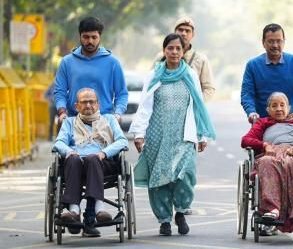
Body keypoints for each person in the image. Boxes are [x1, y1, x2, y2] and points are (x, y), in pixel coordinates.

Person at [129, 33, 216, 236]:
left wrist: (202, 135)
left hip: (183, 136)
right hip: (156, 135)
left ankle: (181, 211)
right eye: (170, 48)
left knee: (185, 175)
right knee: (159, 178)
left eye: (178, 48)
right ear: (164, 51)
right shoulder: (154, 75)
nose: (174, 52)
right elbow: (145, 105)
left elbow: (198, 106)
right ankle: (164, 220)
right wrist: (139, 134)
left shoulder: (190, 75)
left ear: (183, 51)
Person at [241, 92, 293, 233]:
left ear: (289, 107)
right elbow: (245, 140)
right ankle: (272, 209)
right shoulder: (263, 122)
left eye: (282, 105)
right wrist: (264, 145)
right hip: (271, 154)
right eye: (274, 106)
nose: (279, 109)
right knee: (266, 163)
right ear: (268, 109)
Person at [53, 88, 128, 237]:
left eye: (91, 102)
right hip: (76, 165)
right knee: (73, 159)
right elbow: (59, 143)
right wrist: (68, 151)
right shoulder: (69, 122)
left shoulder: (109, 120)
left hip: (102, 163)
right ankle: (74, 211)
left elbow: (122, 141)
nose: (88, 105)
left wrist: (104, 153)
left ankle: (99, 209)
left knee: (93, 158)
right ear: (77, 106)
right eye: (84, 102)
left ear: (98, 104)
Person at [54, 16, 128, 123]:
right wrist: (62, 112)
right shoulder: (67, 62)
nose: (90, 41)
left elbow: (121, 94)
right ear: (80, 36)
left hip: (104, 121)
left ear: (100, 37)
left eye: (94, 37)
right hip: (74, 121)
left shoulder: (113, 63)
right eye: (86, 37)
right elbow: (59, 91)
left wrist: (117, 114)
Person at [241, 23, 293, 124]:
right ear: (263, 43)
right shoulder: (253, 65)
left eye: (279, 41)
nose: (275, 45)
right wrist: (251, 112)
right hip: (262, 124)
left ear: (284, 42)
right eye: (271, 41)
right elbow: (247, 93)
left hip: (292, 123)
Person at [152, 17, 215, 101]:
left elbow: (208, 88)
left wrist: (196, 105)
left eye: (187, 31)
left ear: (193, 34)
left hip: (191, 110)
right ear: (175, 32)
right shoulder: (161, 57)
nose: (184, 33)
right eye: (180, 30)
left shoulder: (201, 60)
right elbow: (151, 82)